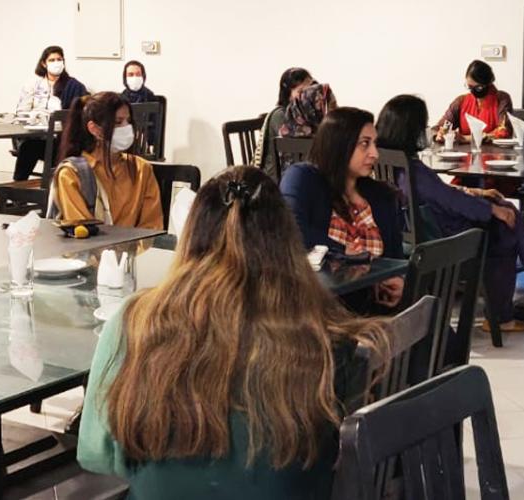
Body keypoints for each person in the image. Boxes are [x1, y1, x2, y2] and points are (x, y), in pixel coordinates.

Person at [78, 165, 390, 498]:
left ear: (191, 235)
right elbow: (344, 465)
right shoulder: (329, 340)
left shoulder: (132, 322)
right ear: (286, 240)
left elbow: (96, 455)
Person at [376, 94, 524, 333]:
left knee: (504, 213)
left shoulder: (389, 162)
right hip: (440, 234)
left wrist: (475, 193)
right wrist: (489, 208)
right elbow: (448, 200)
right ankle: (507, 312)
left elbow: (438, 193)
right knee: (504, 227)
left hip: (422, 228)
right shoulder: (413, 168)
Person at [280, 107, 404, 311]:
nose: (375, 154)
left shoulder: (382, 196)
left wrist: (399, 281)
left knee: (432, 315)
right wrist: (344, 251)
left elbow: (395, 259)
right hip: (322, 308)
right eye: (365, 144)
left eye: (375, 144)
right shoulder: (303, 178)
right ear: (339, 145)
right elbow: (290, 230)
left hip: (376, 307)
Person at [48, 92, 163, 229]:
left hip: (134, 248)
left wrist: (133, 249)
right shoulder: (72, 174)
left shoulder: (142, 169)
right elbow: (83, 231)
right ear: (94, 129)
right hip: (90, 248)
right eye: (118, 122)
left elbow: (152, 226)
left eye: (129, 121)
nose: (126, 127)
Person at [13, 46, 90, 181]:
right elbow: (21, 112)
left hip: (62, 140)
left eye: (59, 59)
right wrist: (33, 116)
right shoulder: (33, 84)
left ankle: (53, 186)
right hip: (37, 136)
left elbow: (80, 115)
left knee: (29, 147)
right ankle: (17, 190)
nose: (56, 63)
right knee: (28, 146)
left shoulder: (74, 86)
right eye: (52, 60)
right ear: (44, 63)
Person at [435, 60, 514, 143]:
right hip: (464, 154)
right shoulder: (461, 101)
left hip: (495, 154)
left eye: (478, 88)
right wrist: (440, 134)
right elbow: (440, 127)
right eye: (470, 87)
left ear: (489, 83)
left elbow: (504, 132)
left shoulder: (502, 99)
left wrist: (465, 138)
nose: (473, 91)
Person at [258, 67, 316, 179]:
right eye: (301, 91)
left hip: (296, 170)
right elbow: (300, 146)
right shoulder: (280, 115)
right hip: (276, 178)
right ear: (287, 93)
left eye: (310, 90)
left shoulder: (305, 114)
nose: (306, 96)